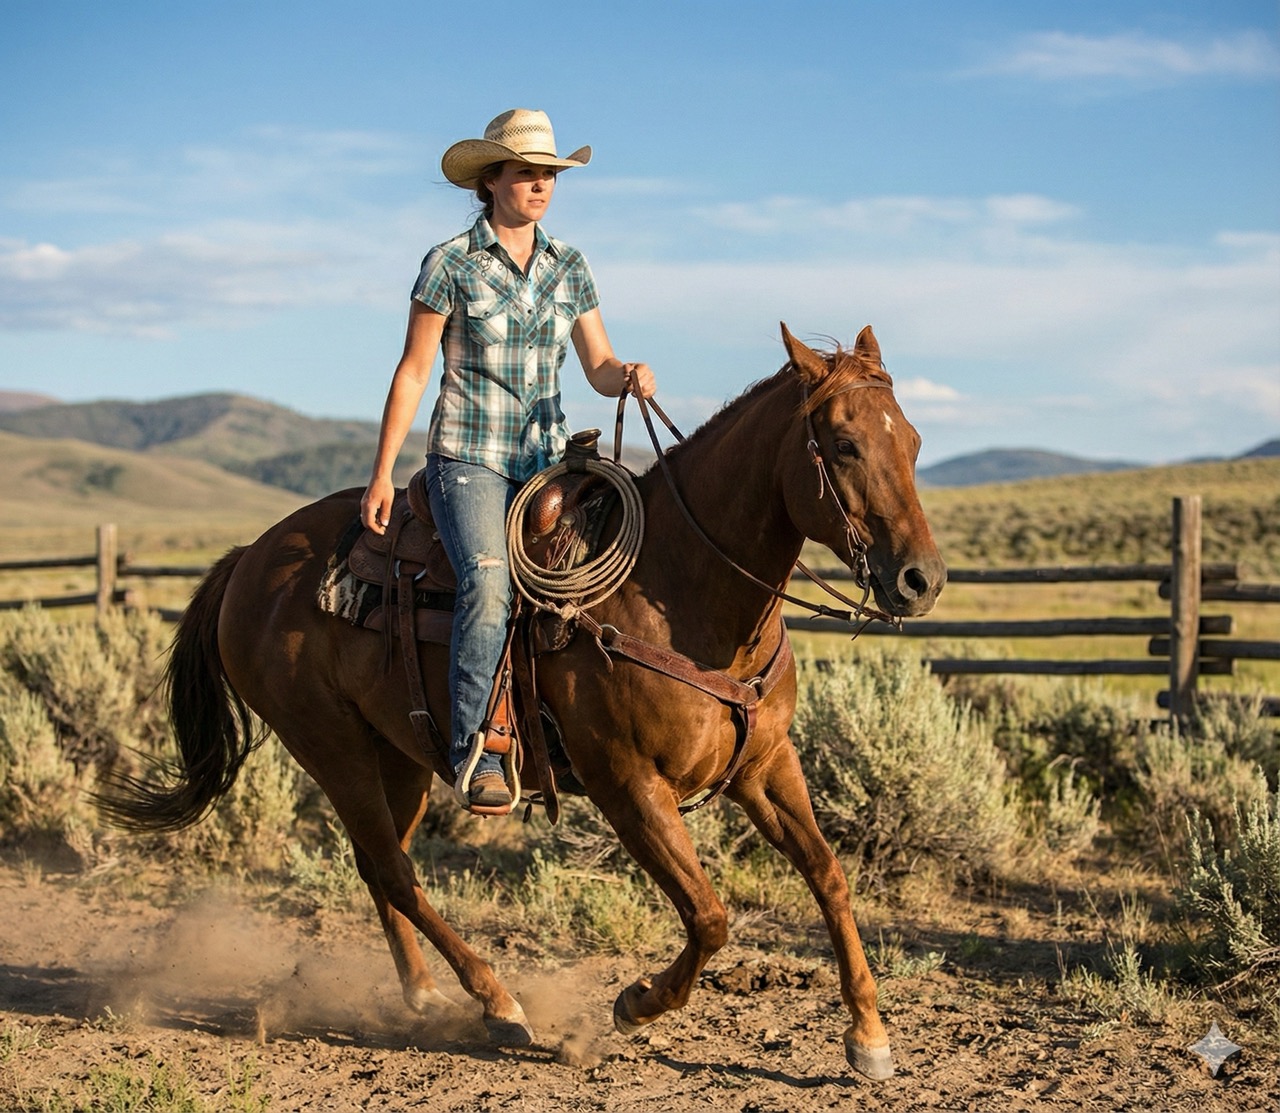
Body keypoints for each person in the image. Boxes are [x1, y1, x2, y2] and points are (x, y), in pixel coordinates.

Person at [360, 108, 656, 815]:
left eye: (549, 174)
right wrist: (381, 470)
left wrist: (629, 374)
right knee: (489, 583)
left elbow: (598, 363)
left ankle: (581, 727)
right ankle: (478, 748)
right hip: (470, 457)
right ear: (491, 180)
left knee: (618, 565)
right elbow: (413, 370)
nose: (541, 185)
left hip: (549, 458)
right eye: (527, 172)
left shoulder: (569, 266)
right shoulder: (451, 264)